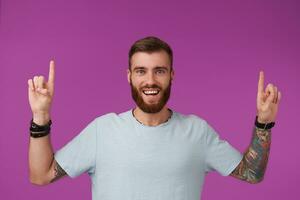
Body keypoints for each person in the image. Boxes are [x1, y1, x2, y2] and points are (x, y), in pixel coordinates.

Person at [28, 36, 281, 200]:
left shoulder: (197, 131)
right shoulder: (102, 130)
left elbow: (251, 173)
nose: (150, 80)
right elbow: (41, 175)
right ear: (129, 76)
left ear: (172, 75)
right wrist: (40, 116)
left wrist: (264, 123)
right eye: (141, 71)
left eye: (159, 71)